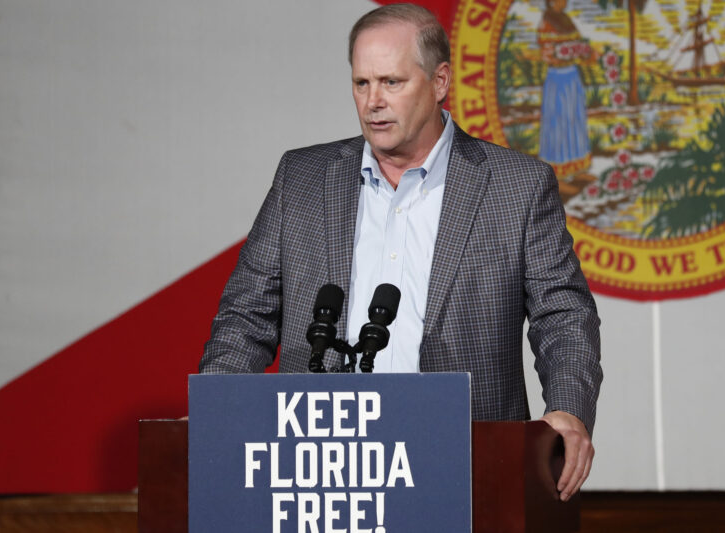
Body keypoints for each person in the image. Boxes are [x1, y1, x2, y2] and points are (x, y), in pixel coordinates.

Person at [200, 3, 602, 502]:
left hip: (468, 460)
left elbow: (563, 315)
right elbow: (246, 316)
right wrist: (213, 413)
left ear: (439, 83)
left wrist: (568, 408)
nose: (373, 102)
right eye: (361, 83)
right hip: (326, 466)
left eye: (391, 82)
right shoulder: (301, 179)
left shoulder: (515, 187)